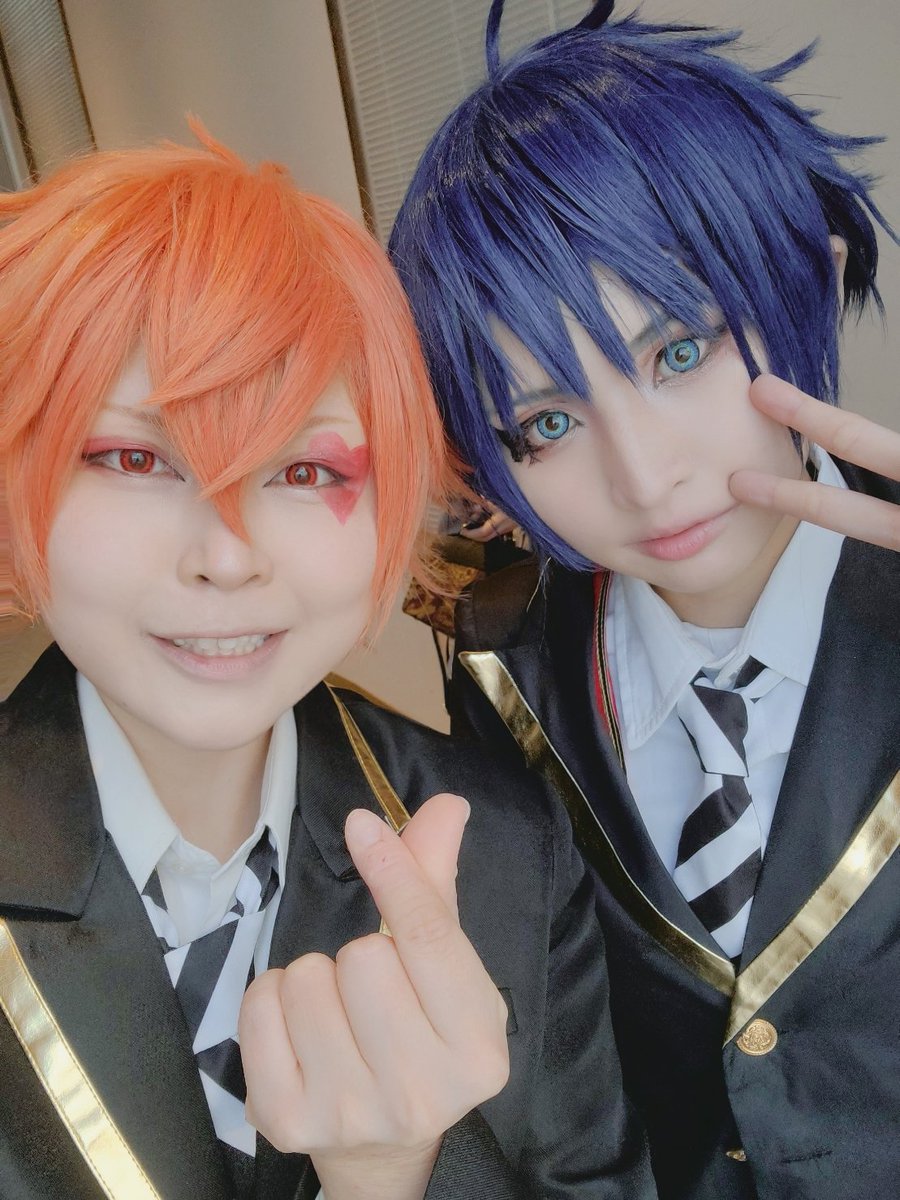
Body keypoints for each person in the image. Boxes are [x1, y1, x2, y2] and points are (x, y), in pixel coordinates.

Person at [0, 132, 656, 1200]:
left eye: (306, 470)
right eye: (133, 458)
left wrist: (396, 1177)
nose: (226, 558)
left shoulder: (509, 849)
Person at [389, 3, 900, 1198]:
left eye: (678, 353)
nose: (643, 476)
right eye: (546, 424)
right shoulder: (504, 669)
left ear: (813, 283)